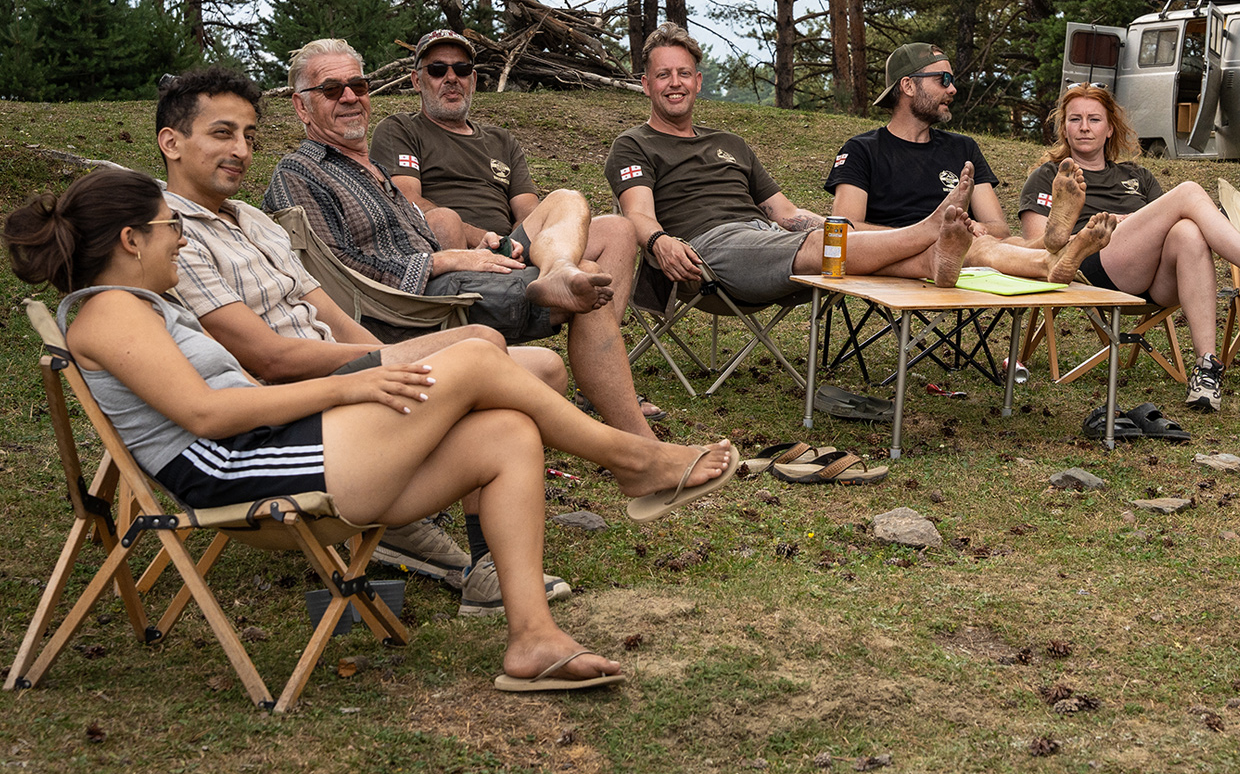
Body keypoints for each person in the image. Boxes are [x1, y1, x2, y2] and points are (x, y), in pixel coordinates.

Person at [4, 166, 735, 692]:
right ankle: (633, 460)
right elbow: (204, 415)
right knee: (475, 364)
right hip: (238, 473)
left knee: (508, 430)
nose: (182, 244)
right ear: (130, 239)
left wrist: (345, 388)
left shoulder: (137, 303)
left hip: (278, 450)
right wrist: (350, 384)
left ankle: (532, 639)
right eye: (170, 232)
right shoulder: (110, 310)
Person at [156, 66, 570, 614]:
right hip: (302, 402)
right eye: (222, 133)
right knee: (480, 347)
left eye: (248, 137)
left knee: (541, 367)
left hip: (346, 368)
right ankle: (483, 549)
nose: (240, 150)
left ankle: (428, 524)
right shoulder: (166, 236)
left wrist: (380, 356)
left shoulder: (252, 220)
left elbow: (330, 314)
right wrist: (386, 361)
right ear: (172, 143)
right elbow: (269, 358)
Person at [259, 38, 656, 439]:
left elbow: (522, 209)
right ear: (300, 106)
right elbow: (334, 271)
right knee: (581, 290)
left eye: (358, 86)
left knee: (570, 205)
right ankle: (638, 445)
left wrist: (486, 246)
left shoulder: (372, 169)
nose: (349, 97)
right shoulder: (301, 172)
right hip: (415, 305)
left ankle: (560, 272)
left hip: (454, 274)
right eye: (331, 89)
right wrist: (448, 258)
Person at [369, 30, 659, 424]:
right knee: (443, 218)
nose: (451, 78)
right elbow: (409, 203)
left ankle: (580, 332)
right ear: (417, 80)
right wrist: (478, 238)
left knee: (605, 222)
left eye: (462, 68)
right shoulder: (401, 129)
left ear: (473, 78)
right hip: (455, 252)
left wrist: (520, 244)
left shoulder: (500, 141)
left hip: (512, 249)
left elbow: (529, 210)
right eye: (438, 70)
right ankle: (472, 365)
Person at [609, 24, 990, 306]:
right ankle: (927, 231)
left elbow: (787, 213)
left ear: (698, 81)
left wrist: (847, 232)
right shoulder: (634, 144)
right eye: (663, 75)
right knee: (822, 248)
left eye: (684, 73)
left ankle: (930, 257)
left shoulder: (730, 144)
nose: (675, 83)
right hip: (705, 252)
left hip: (765, 238)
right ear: (646, 84)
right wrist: (660, 242)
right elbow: (638, 214)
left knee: (835, 240)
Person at [1015, 84, 1240, 415]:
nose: (1084, 127)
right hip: (1091, 269)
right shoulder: (1047, 177)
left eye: (1094, 119)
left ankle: (1206, 368)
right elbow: (1038, 250)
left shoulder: (1136, 175)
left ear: (1110, 127)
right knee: (1187, 193)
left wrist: (1135, 223)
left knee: (1186, 231)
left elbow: (1164, 226)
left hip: (1154, 280)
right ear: (1064, 128)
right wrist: (1107, 226)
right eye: (1075, 119)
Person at [823, 43, 1108, 284]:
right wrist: (929, 232)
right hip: (901, 256)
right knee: (978, 247)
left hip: (963, 247)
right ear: (908, 85)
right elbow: (847, 230)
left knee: (1000, 243)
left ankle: (1054, 244)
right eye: (943, 80)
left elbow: (998, 227)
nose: (953, 89)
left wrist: (970, 228)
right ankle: (1049, 258)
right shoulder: (862, 150)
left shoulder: (963, 148)